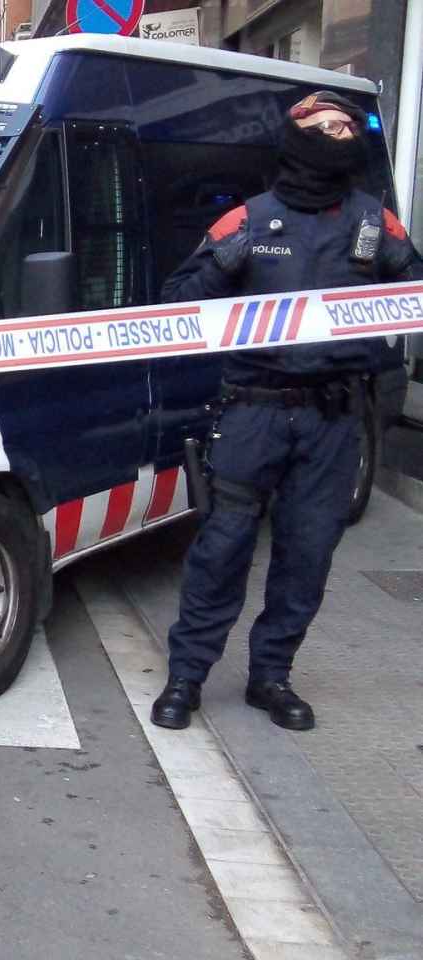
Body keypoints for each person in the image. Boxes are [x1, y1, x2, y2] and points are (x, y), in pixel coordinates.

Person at [151, 91, 423, 731]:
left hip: (333, 420)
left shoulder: (372, 222)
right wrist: (224, 263)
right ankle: (186, 678)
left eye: (346, 126)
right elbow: (177, 304)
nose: (338, 133)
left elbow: (414, 291)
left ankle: (270, 677)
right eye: (323, 126)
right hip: (254, 414)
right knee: (222, 550)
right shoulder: (247, 219)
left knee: (308, 555)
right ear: (295, 138)